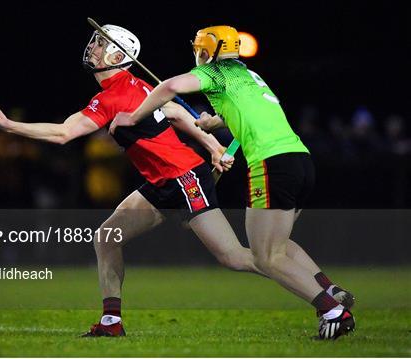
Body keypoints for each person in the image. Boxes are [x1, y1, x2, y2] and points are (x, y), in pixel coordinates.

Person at [0, 24, 270, 337]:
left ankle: (318, 294)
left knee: (233, 257)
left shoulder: (115, 95)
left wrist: (7, 126)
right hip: (162, 182)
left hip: (184, 178)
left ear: (116, 54)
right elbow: (177, 114)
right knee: (107, 237)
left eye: (101, 44)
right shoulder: (135, 84)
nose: (93, 48)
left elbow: (64, 133)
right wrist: (213, 146)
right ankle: (111, 323)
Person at [110, 25, 355, 340]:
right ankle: (329, 289)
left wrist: (132, 117)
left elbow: (170, 86)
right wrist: (216, 121)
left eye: (199, 48)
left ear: (208, 50)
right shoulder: (249, 76)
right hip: (299, 160)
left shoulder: (215, 73)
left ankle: (332, 311)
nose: (196, 54)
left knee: (264, 256)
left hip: (271, 164)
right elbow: (255, 113)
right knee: (279, 244)